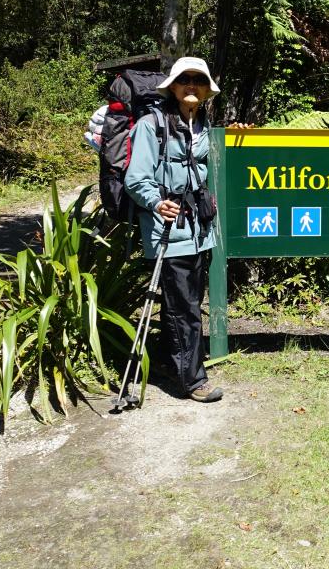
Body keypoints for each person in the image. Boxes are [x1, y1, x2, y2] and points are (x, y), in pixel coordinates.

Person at [124, 56, 224, 403]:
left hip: (198, 230)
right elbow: (136, 177)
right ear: (174, 86)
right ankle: (193, 381)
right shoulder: (151, 125)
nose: (192, 86)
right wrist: (156, 202)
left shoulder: (204, 125)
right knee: (185, 308)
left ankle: (171, 363)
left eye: (199, 80)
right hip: (168, 231)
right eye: (186, 80)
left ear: (206, 89)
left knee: (183, 304)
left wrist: (237, 138)